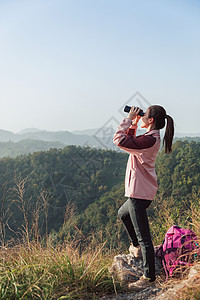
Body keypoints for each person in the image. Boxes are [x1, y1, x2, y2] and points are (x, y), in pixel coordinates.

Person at [113, 105, 174, 291]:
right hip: (139, 192)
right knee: (123, 214)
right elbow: (131, 141)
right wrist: (136, 123)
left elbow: (120, 140)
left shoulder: (149, 139)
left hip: (138, 193)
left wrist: (129, 120)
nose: (142, 116)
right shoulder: (150, 138)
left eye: (144, 115)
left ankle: (148, 277)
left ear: (151, 120)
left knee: (145, 238)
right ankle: (136, 247)